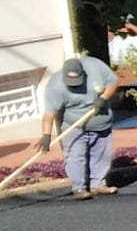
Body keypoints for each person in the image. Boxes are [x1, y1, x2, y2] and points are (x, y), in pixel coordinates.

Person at [36, 55, 119, 200]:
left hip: (100, 120)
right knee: (75, 155)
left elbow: (113, 83)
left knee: (101, 154)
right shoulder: (55, 85)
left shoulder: (96, 67)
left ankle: (98, 184)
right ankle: (79, 188)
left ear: (83, 73)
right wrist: (46, 136)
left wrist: (103, 98)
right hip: (72, 125)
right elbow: (49, 113)